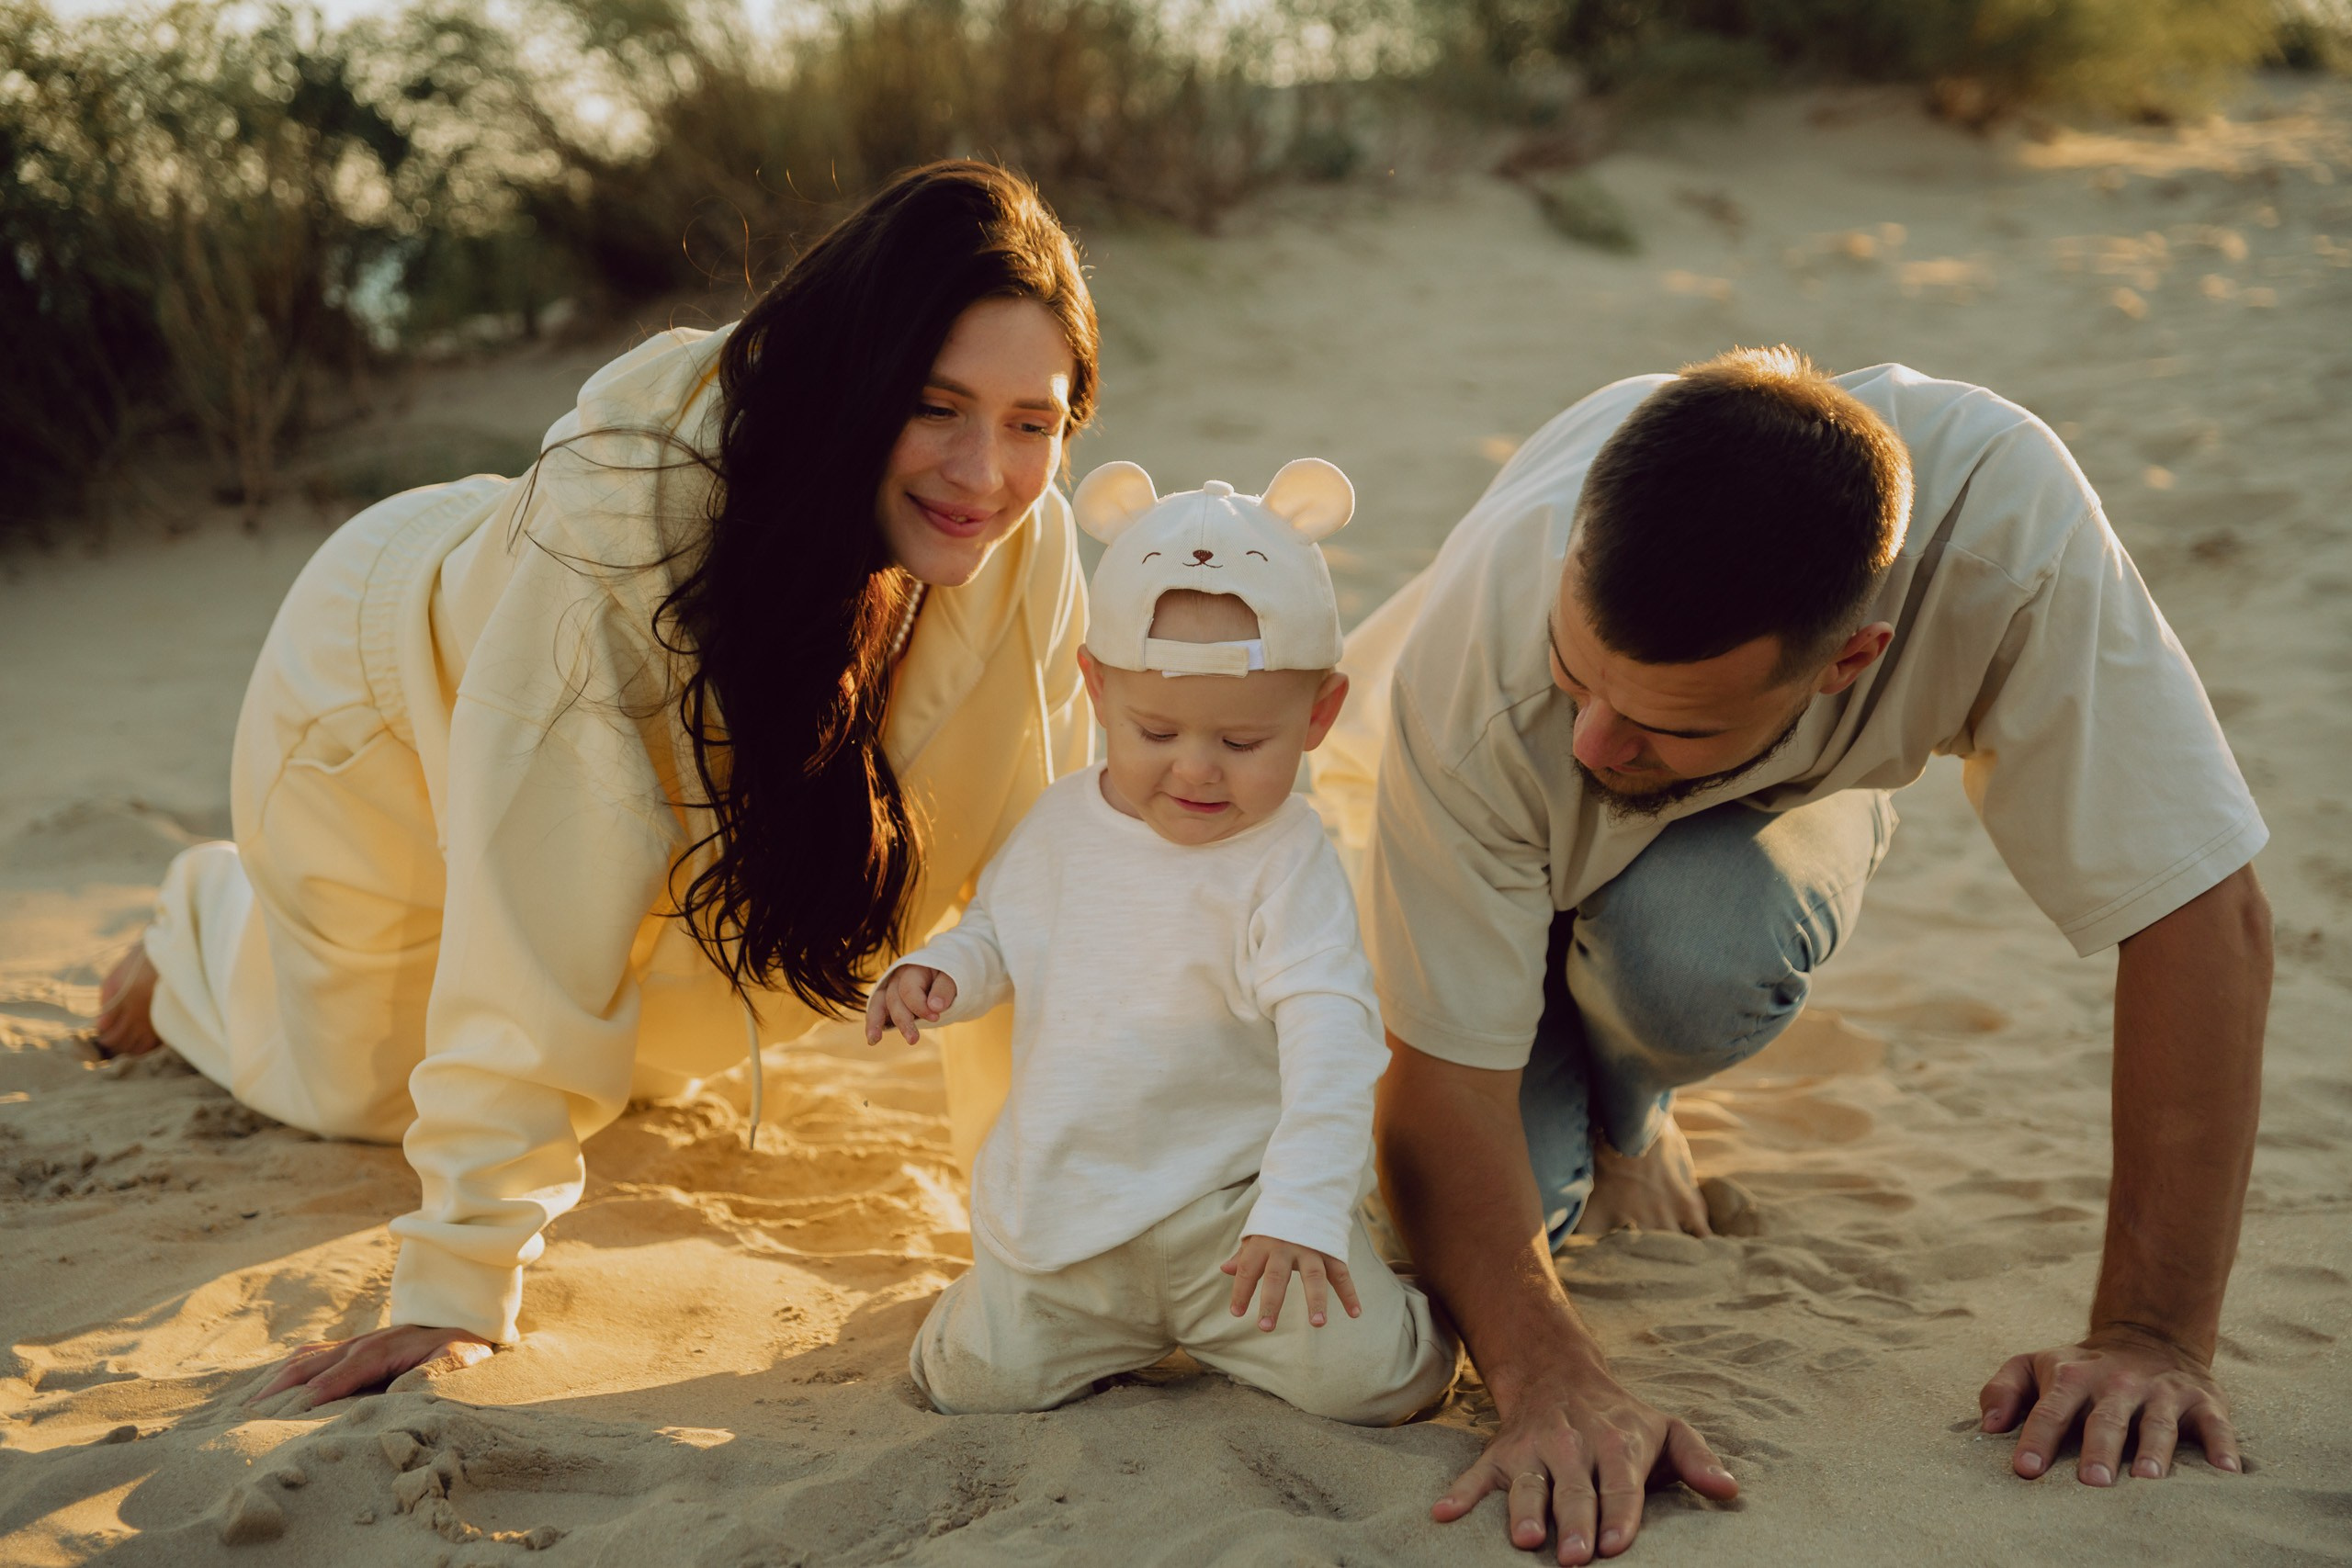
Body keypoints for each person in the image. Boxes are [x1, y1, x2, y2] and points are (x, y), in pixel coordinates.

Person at [89, 161, 1103, 1402]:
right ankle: (207, 922)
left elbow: (1041, 873)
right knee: (362, 1090)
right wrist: (461, 1281)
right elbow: (541, 879)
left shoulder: (1022, 539)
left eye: (1032, 421)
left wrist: (1061, 1223)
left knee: (655, 1040)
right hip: (385, 716)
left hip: (584, 711)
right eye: (938, 405)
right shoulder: (630, 504)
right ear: (856, 379)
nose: (986, 471)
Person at [1309, 348, 2270, 1562]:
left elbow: (2198, 904)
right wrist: (1553, 1377)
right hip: (1430, 834)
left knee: (1696, 954)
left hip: (1744, 836)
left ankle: (1635, 1095)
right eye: (1577, 678)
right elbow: (1439, 1082)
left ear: (1849, 664)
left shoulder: (2007, 529)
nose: (1597, 739)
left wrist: (2152, 1333)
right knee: (1460, 1239)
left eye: (1668, 720)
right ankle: (1604, 1111)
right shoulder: (1490, 651)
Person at [867, 459, 1457, 1424]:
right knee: (974, 1386)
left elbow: (1333, 1037)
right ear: (1095, 690)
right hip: (1068, 1215)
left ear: (1316, 716)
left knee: (1376, 1387)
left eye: (1239, 744)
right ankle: (1001, 1306)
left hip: (1240, 1219)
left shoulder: (1287, 860)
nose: (1194, 770)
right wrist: (942, 972)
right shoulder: (1062, 825)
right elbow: (999, 935)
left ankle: (1398, 1298)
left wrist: (1301, 1208)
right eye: (1153, 730)